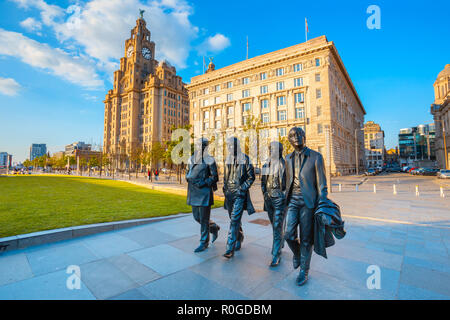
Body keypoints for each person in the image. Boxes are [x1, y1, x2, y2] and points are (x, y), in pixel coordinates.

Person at [284, 127, 328, 286]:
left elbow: (322, 185)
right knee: (288, 234)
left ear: (304, 136)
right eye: (292, 135)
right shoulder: (287, 158)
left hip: (308, 203)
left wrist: (322, 205)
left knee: (306, 239)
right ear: (289, 140)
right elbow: (286, 181)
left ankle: (304, 270)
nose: (296, 137)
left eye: (299, 134)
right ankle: (297, 254)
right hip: (293, 201)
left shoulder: (316, 157)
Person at [222, 136, 255, 258]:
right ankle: (239, 236)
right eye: (228, 145)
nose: (229, 148)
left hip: (239, 194)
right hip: (229, 194)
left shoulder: (245, 159)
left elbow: (251, 177)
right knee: (233, 218)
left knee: (235, 219)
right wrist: (225, 189)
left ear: (237, 146)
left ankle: (229, 248)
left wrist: (242, 189)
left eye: (231, 145)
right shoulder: (227, 159)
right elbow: (225, 177)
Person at [186, 138, 221, 252]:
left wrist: (204, 182)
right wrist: (187, 177)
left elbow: (215, 177)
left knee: (204, 219)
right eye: (198, 145)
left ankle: (204, 242)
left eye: (203, 145)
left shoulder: (210, 160)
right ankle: (213, 227)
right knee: (197, 217)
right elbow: (187, 171)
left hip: (204, 192)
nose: (200, 147)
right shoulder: (191, 158)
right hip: (193, 191)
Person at [261, 141, 287, 267]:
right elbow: (262, 182)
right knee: (274, 225)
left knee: (277, 226)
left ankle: (276, 254)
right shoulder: (266, 164)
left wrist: (283, 196)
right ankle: (280, 240)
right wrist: (264, 193)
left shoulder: (286, 164)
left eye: (274, 149)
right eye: (270, 149)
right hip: (269, 199)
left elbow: (291, 183)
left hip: (279, 199)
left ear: (280, 151)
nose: (271, 152)